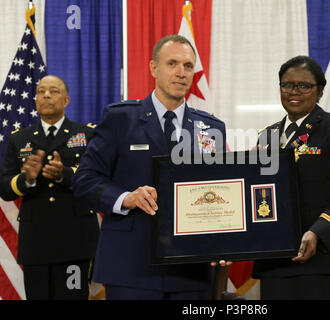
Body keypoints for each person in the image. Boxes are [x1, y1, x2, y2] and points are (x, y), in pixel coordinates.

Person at [72, 35, 227, 300]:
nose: (181, 73)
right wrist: (126, 198)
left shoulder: (211, 128)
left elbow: (220, 192)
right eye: (172, 63)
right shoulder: (120, 118)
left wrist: (229, 243)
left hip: (191, 269)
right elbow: (84, 179)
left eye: (188, 66)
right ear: (154, 68)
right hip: (131, 265)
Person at [252, 56, 330, 299]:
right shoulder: (267, 137)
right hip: (277, 266)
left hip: (328, 265)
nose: (294, 91)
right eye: (287, 85)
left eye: (304, 86)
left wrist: (319, 232)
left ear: (320, 91)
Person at [0, 75, 99, 300]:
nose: (46, 95)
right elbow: (4, 188)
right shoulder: (19, 139)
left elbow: (97, 179)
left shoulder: (86, 134)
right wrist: (27, 180)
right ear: (35, 100)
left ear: (66, 100)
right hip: (36, 243)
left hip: (75, 241)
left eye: (53, 91)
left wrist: (64, 174)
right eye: (41, 91)